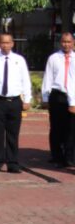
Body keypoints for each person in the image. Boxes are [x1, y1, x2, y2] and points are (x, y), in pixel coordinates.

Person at [0, 33, 31, 174]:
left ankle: (12, 163)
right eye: (2, 43)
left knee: (13, 134)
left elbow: (25, 80)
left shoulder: (19, 60)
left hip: (14, 101)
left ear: (12, 44)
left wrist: (27, 99)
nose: (5, 45)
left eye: (8, 42)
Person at [42, 33, 75, 167]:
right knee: (56, 127)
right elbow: (48, 77)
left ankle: (69, 156)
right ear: (60, 43)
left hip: (73, 95)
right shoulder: (53, 58)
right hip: (57, 95)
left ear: (73, 43)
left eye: (69, 42)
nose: (66, 44)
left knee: (71, 128)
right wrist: (45, 97)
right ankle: (57, 156)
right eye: (64, 42)